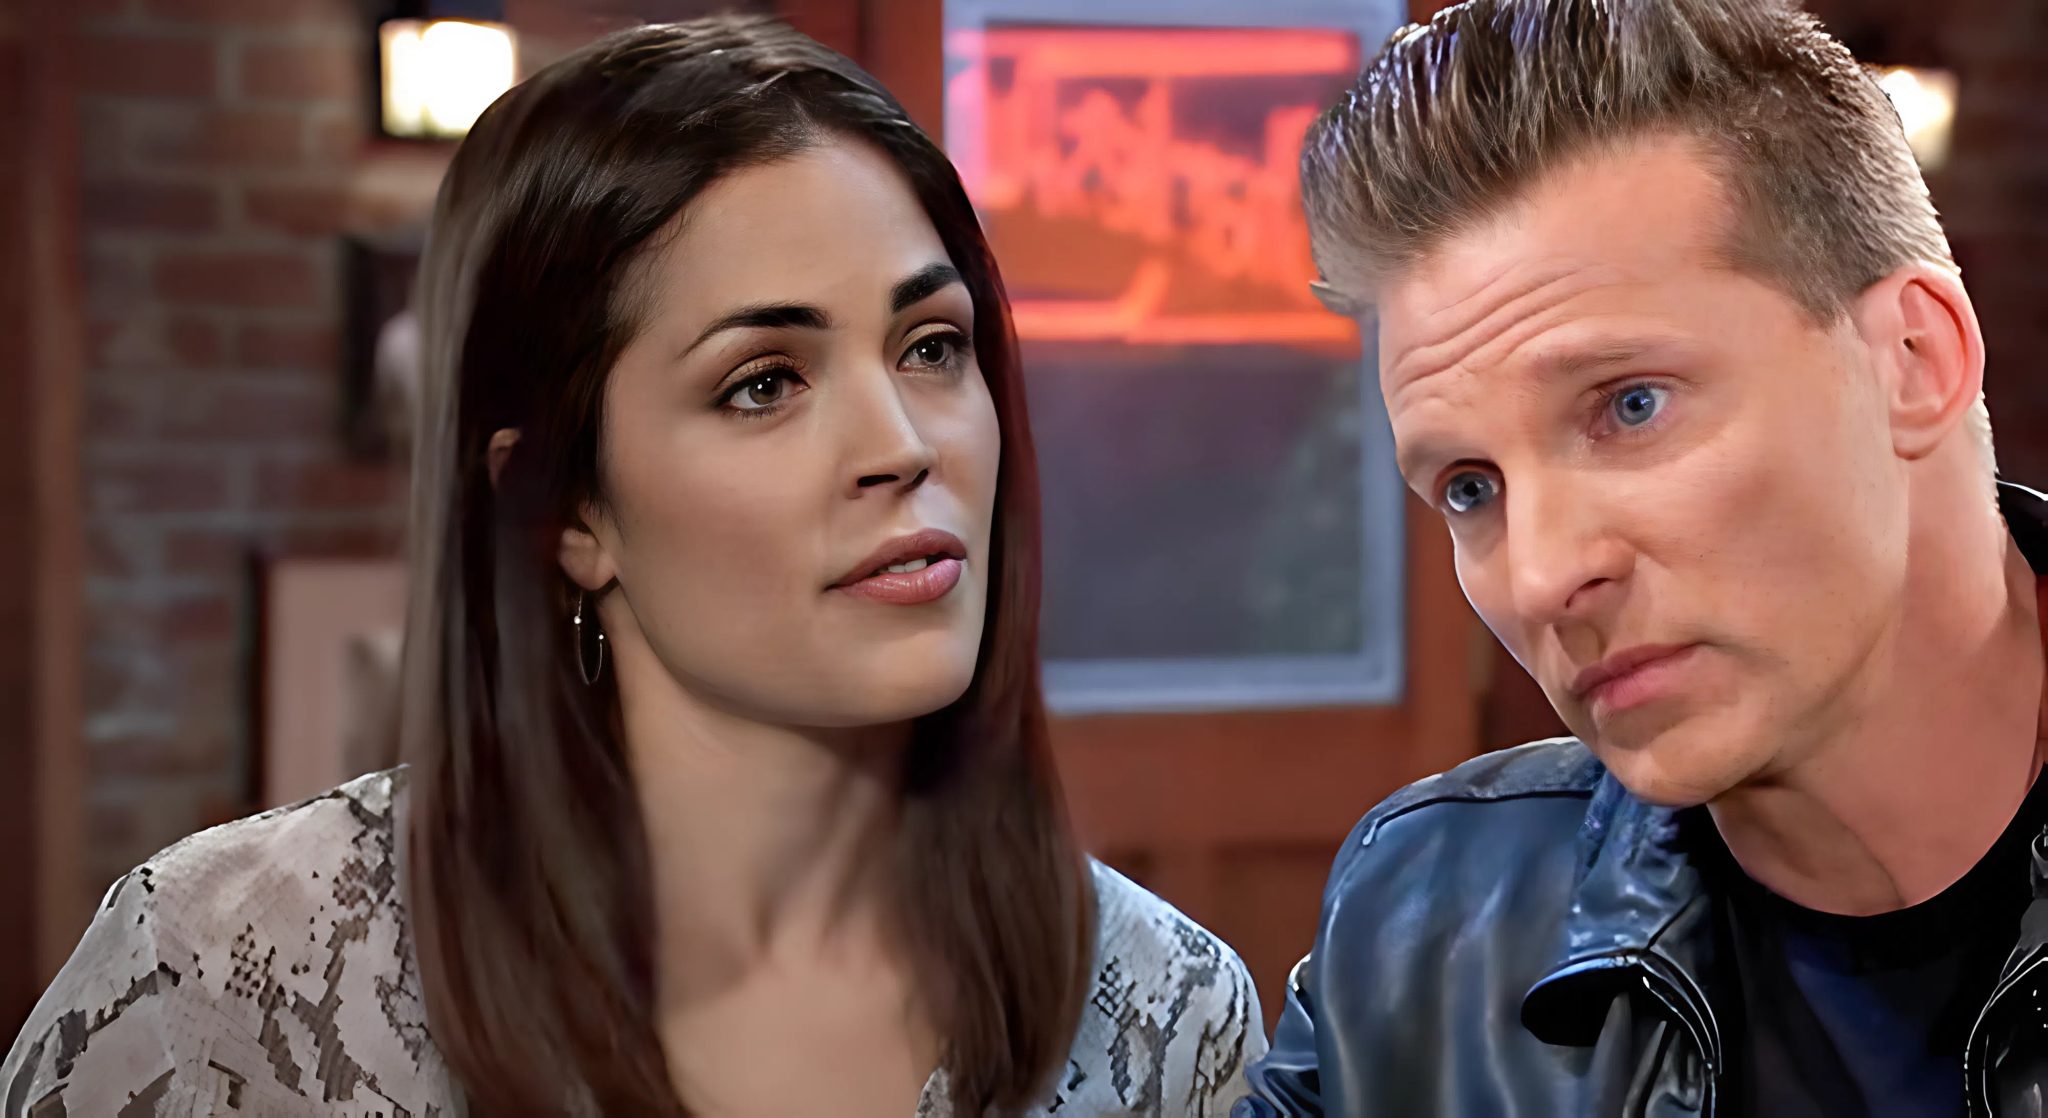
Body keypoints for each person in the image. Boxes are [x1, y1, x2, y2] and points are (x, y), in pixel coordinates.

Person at [3, 17, 1263, 1117]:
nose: (901, 445)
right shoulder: (222, 979)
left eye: (930, 346)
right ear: (564, 509)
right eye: (763, 382)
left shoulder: (1169, 1014)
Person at [1238, 0, 2048, 1114]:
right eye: (1470, 488)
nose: (1540, 578)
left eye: (1629, 406)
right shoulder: (1415, 938)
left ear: (1914, 359)